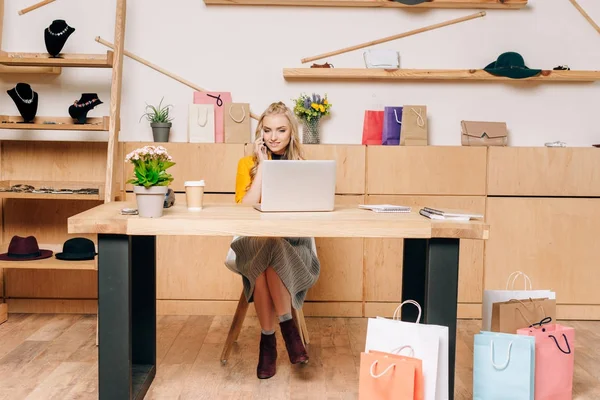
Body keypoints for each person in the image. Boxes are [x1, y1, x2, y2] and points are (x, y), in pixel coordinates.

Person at [225, 101, 320, 379]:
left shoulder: (301, 165)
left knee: (273, 247)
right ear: (260, 133)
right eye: (267, 130)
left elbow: (310, 212)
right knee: (268, 244)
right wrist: (264, 168)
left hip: (293, 244)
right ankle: (288, 329)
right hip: (251, 242)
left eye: (280, 130)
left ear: (292, 133)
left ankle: (268, 341)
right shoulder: (247, 164)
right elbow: (245, 209)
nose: (273, 137)